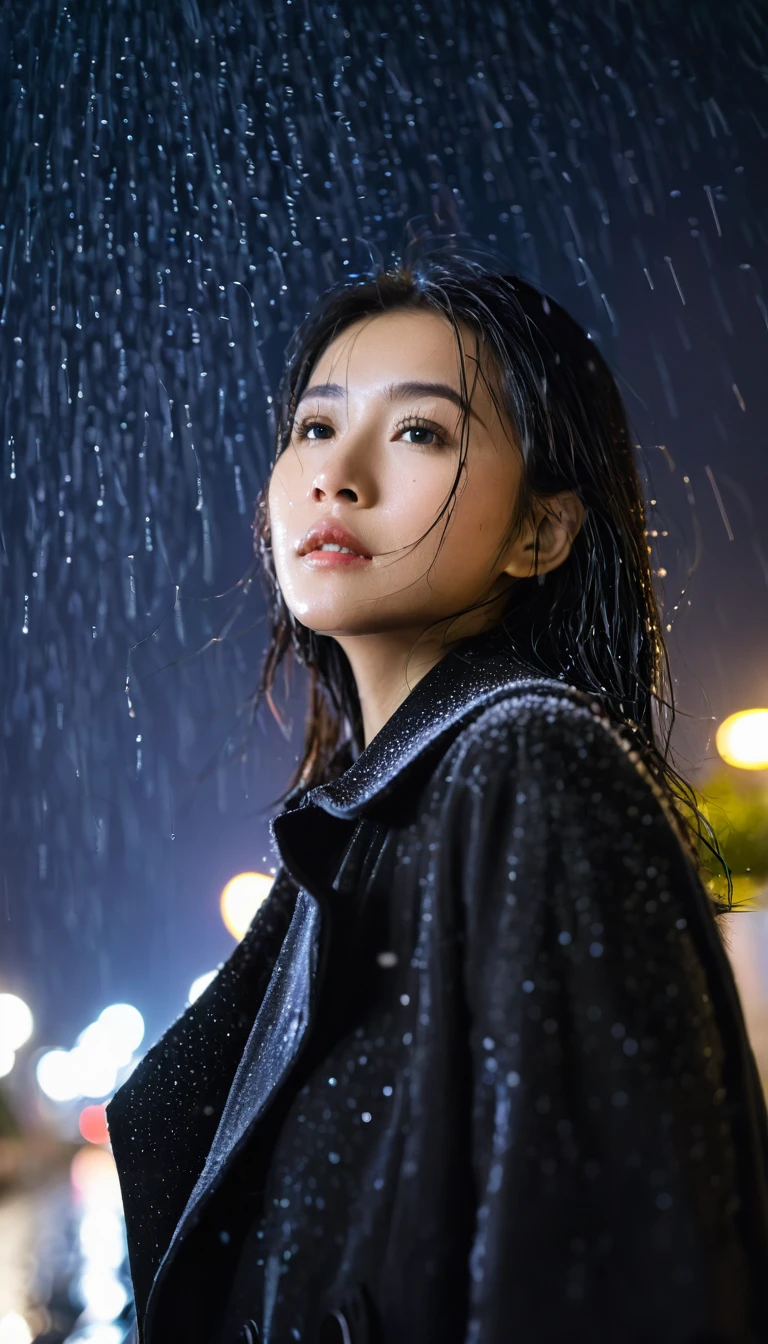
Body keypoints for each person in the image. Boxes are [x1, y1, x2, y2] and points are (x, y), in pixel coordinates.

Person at [106, 253, 768, 1344]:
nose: (338, 475)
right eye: (315, 428)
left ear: (540, 533)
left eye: (421, 432)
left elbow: (613, 1279)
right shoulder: (374, 822)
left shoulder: (532, 767)